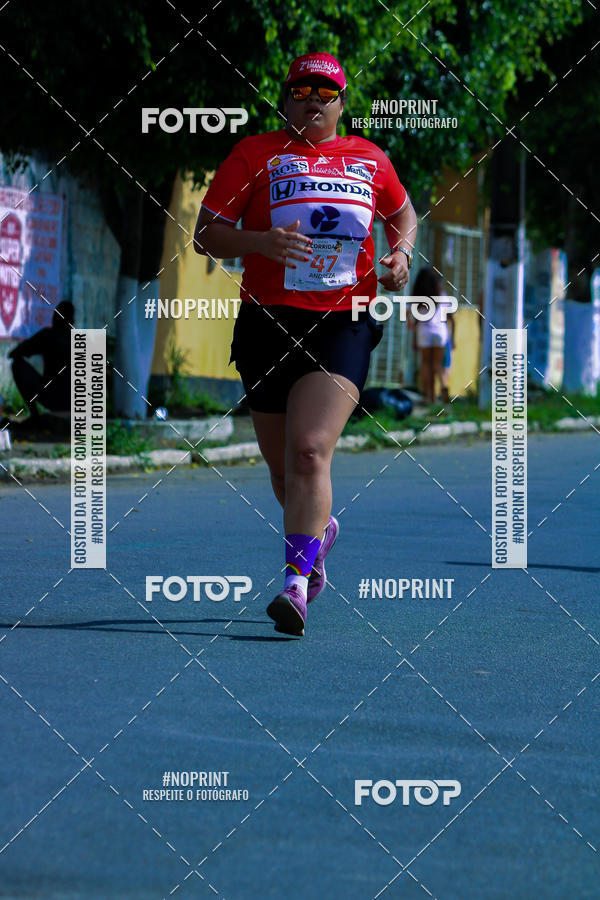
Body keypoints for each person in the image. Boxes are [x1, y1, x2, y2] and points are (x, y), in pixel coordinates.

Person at [193, 52, 417, 637]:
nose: (313, 101)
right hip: (267, 322)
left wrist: (401, 255)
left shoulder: (369, 159)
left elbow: (403, 214)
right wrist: (260, 241)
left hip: (344, 320)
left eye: (326, 92)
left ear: (343, 104)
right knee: (282, 471)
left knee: (310, 452)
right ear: (285, 99)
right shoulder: (253, 155)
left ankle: (295, 583)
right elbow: (206, 234)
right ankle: (319, 531)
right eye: (301, 91)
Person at [6, 301, 74, 422]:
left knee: (17, 365)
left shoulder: (48, 335)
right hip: (75, 401)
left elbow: (14, 354)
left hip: (52, 397)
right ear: (72, 320)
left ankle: (35, 415)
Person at [410, 267, 448, 404]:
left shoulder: (416, 296)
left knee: (426, 364)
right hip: (440, 332)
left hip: (424, 332)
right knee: (438, 364)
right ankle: (443, 387)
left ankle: (428, 396)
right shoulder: (441, 295)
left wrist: (413, 335)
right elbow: (450, 316)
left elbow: (411, 321)